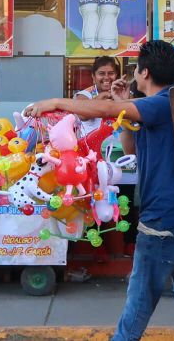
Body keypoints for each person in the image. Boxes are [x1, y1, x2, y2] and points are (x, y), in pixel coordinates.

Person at [25, 40, 174, 341]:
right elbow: (130, 147)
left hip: (161, 224)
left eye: (136, 71)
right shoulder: (164, 104)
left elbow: (104, 107)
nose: (133, 76)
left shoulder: (161, 102)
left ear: (146, 72)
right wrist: (125, 110)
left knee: (137, 310)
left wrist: (56, 103)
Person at [74, 56, 137, 262]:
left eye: (111, 73)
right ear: (93, 76)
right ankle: (94, 251)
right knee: (94, 206)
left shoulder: (123, 94)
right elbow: (83, 114)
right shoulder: (83, 96)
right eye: (101, 73)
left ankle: (123, 249)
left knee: (122, 204)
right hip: (94, 164)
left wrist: (119, 97)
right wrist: (103, 99)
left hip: (122, 163)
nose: (106, 77)